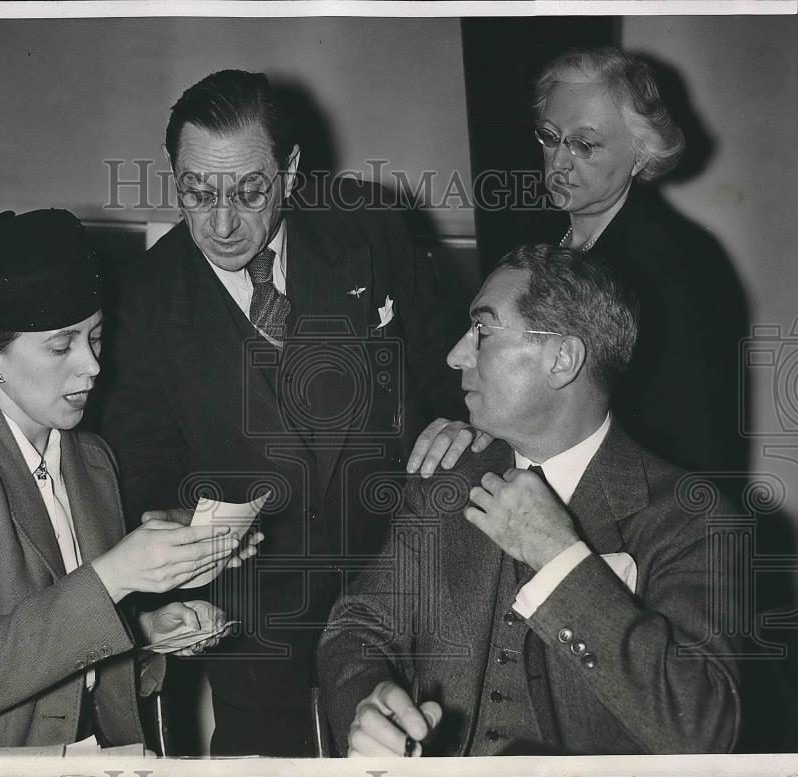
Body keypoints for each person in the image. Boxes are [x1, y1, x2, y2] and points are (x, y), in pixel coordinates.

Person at [101, 69, 462, 756]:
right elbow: (144, 466)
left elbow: (450, 367)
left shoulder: (372, 230)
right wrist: (180, 515)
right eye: (197, 192)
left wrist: (456, 423)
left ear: (290, 171)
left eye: (249, 189)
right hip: (252, 625)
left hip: (401, 598)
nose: (223, 222)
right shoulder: (143, 299)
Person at [0, 209, 262, 754]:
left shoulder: (90, 458)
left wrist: (146, 634)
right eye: (60, 346)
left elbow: (68, 658)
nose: (91, 366)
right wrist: (114, 575)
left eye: (95, 338)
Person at [317, 243, 740, 756]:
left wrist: (561, 558)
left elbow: (703, 733)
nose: (455, 355)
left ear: (562, 359)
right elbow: (358, 626)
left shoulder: (688, 516)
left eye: (483, 330)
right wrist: (367, 702)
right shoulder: (446, 479)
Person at [409, 46, 746, 483]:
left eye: (585, 145)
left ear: (641, 154)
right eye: (550, 137)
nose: (560, 162)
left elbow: (684, 436)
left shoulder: (677, 262)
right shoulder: (531, 237)